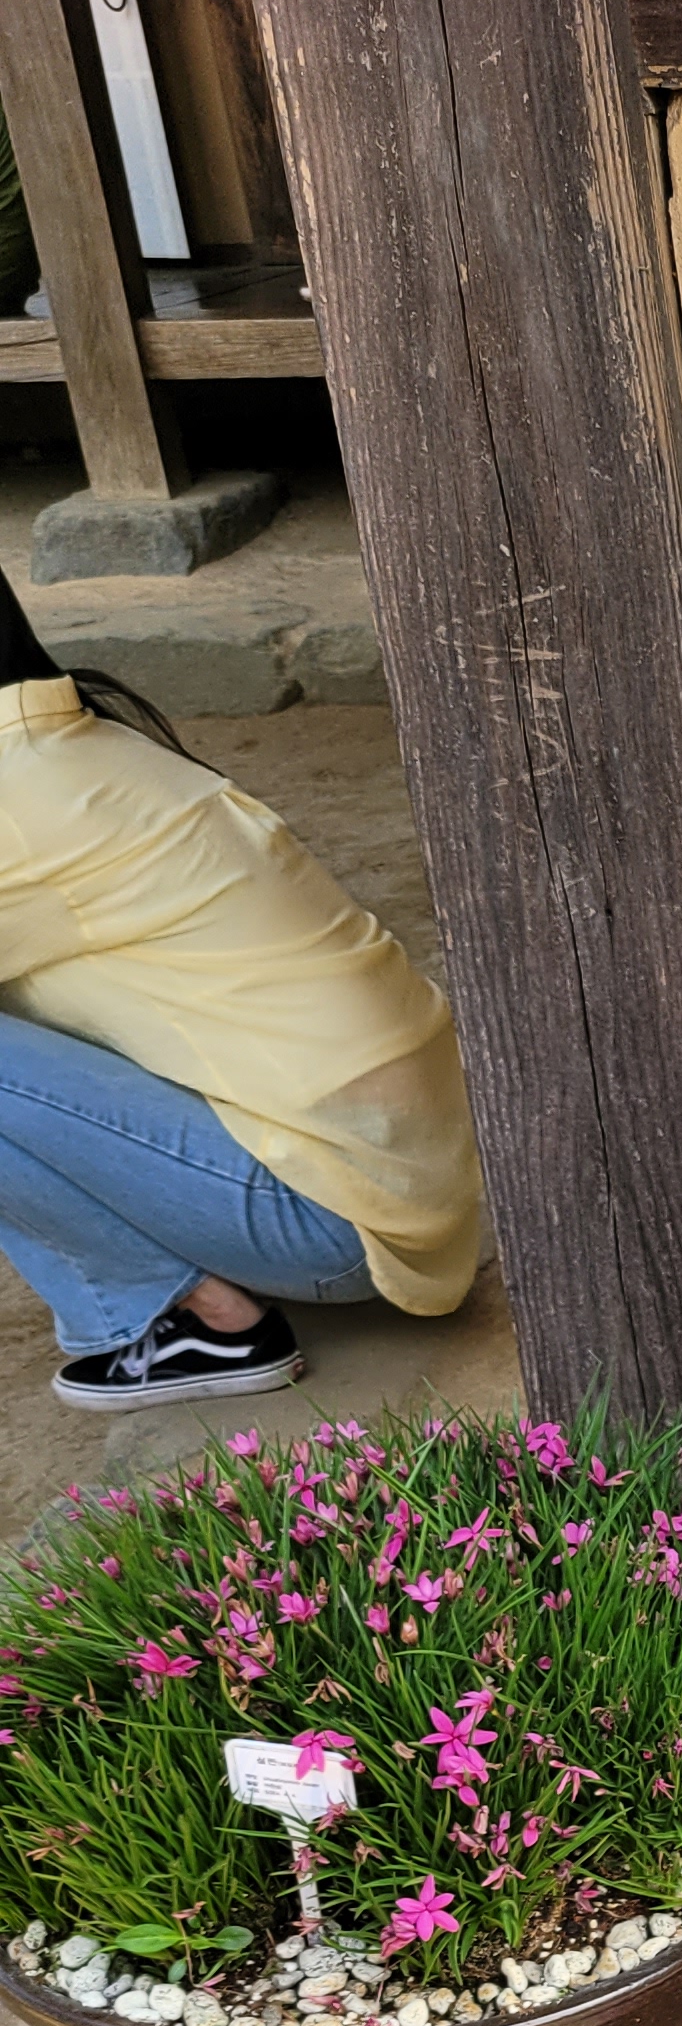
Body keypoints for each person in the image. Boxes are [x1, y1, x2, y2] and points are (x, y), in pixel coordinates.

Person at [0, 575, 482, 1408]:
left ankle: (191, 1319)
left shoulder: (16, 801)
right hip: (398, 1182)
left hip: (332, 1221)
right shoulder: (63, 746)